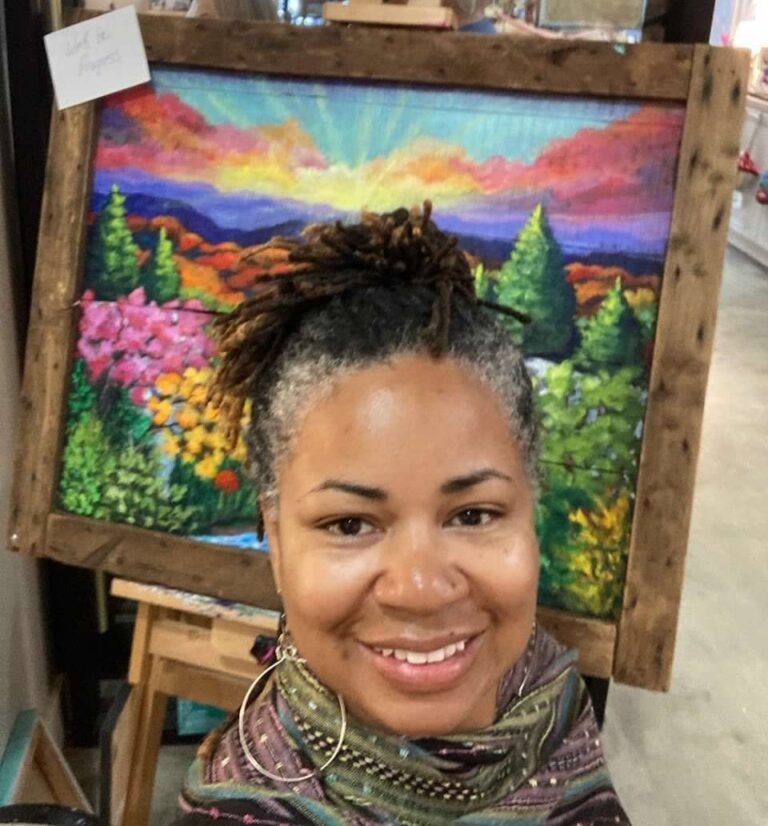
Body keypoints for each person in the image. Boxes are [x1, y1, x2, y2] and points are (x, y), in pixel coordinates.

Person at [174, 204, 630, 825]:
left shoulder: (547, 692)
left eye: (473, 515)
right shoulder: (244, 811)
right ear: (275, 540)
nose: (419, 590)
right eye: (350, 524)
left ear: (531, 509)